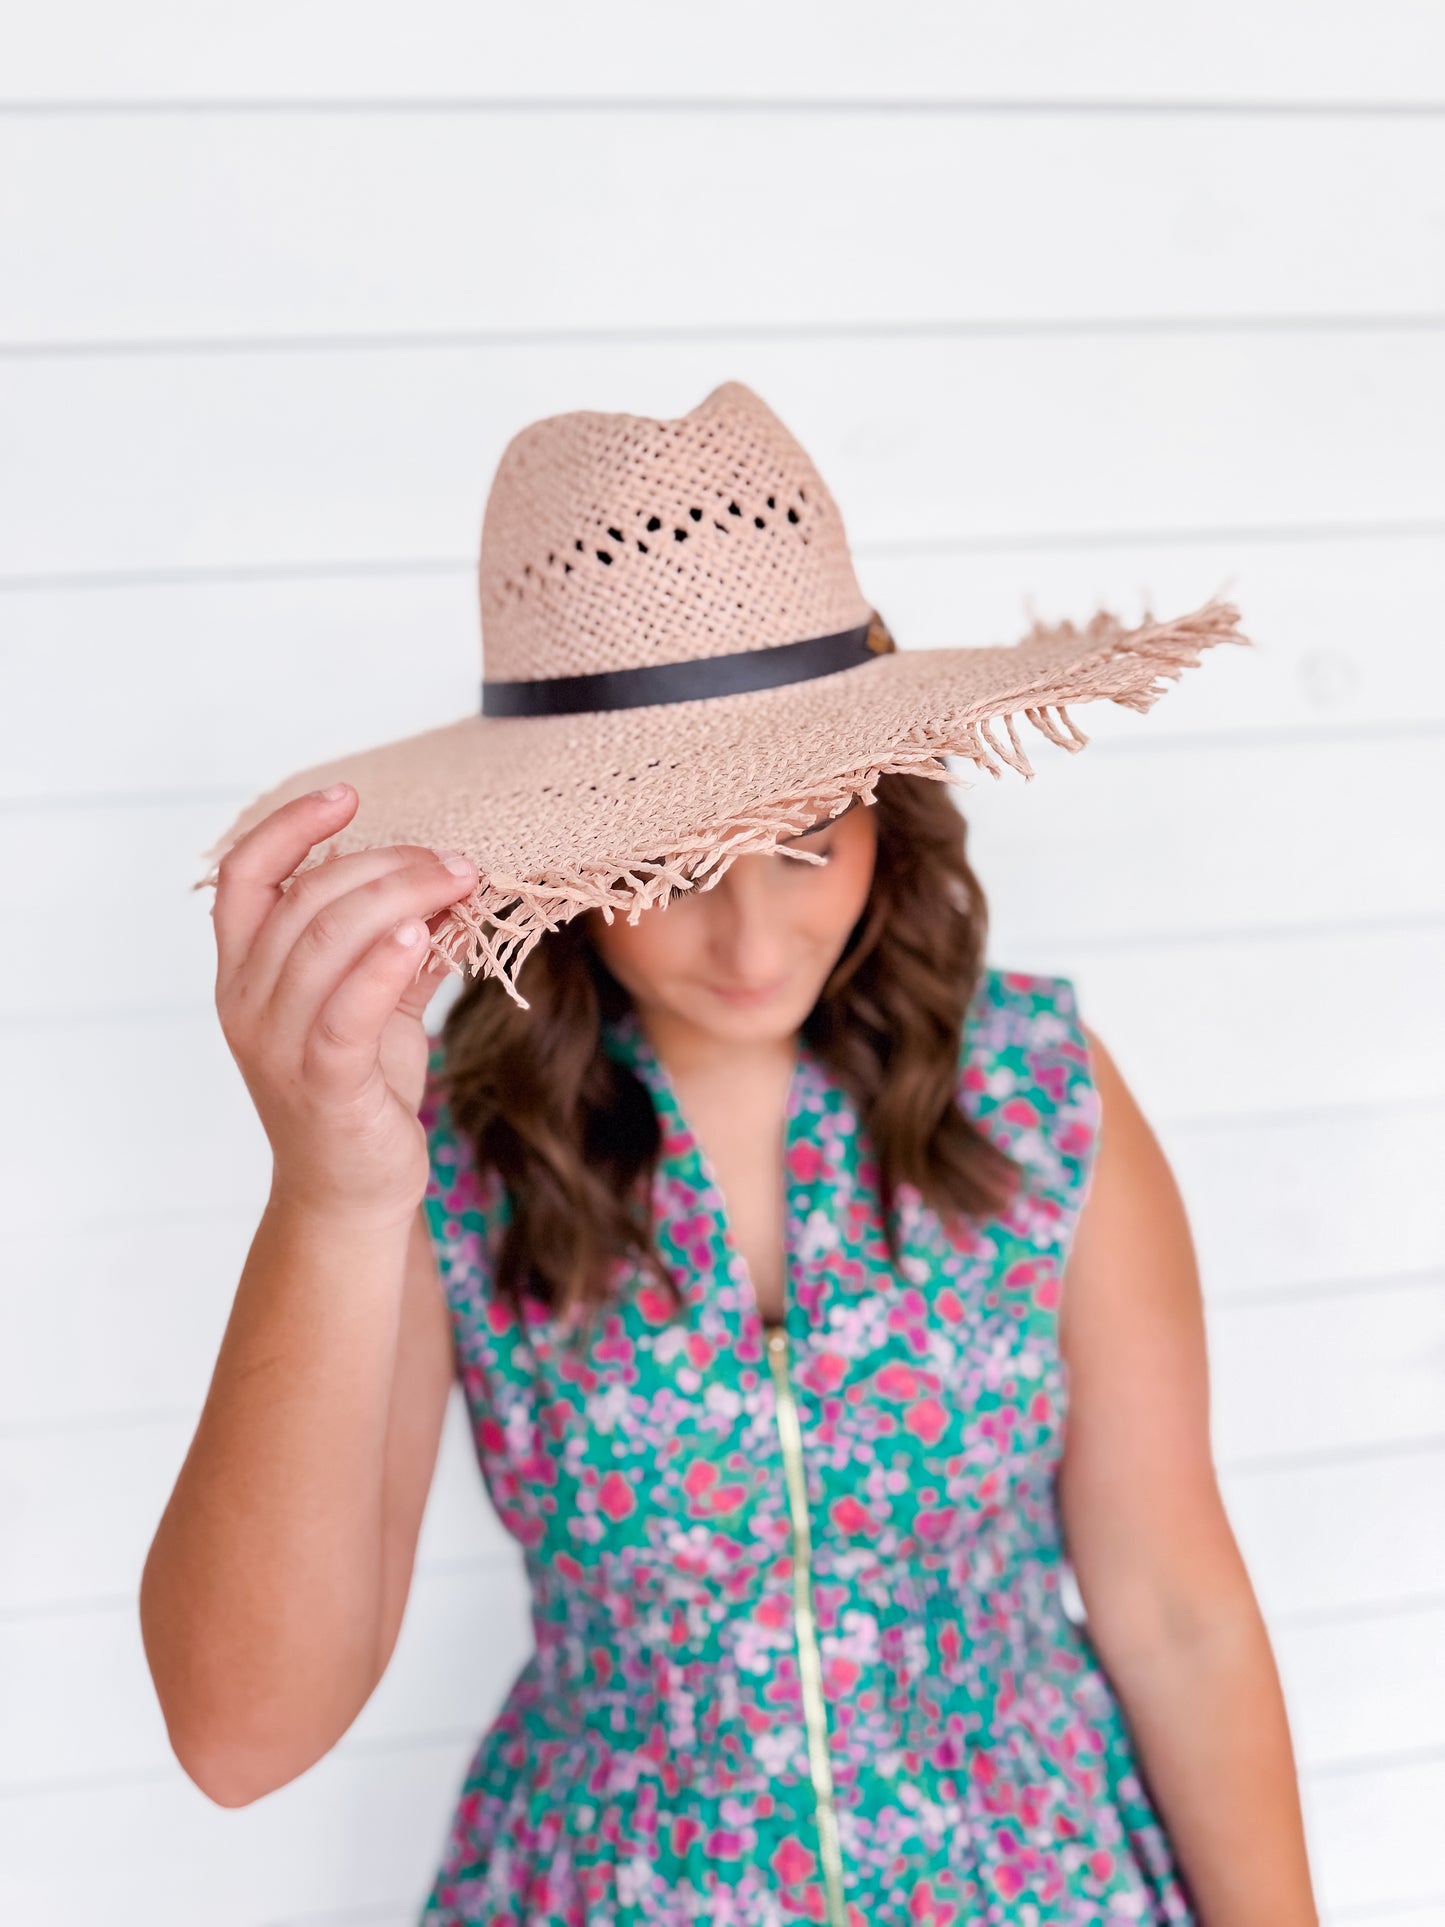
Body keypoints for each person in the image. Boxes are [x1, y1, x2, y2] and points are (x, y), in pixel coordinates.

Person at [142, 382, 1319, 1924]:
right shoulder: (448, 1161)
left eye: (805, 839)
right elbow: (239, 1741)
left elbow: (1176, 1612)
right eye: (673, 863)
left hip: (1038, 1882)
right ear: (562, 854)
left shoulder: (1039, 1087)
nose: (753, 942)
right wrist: (329, 1193)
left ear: (886, 808)